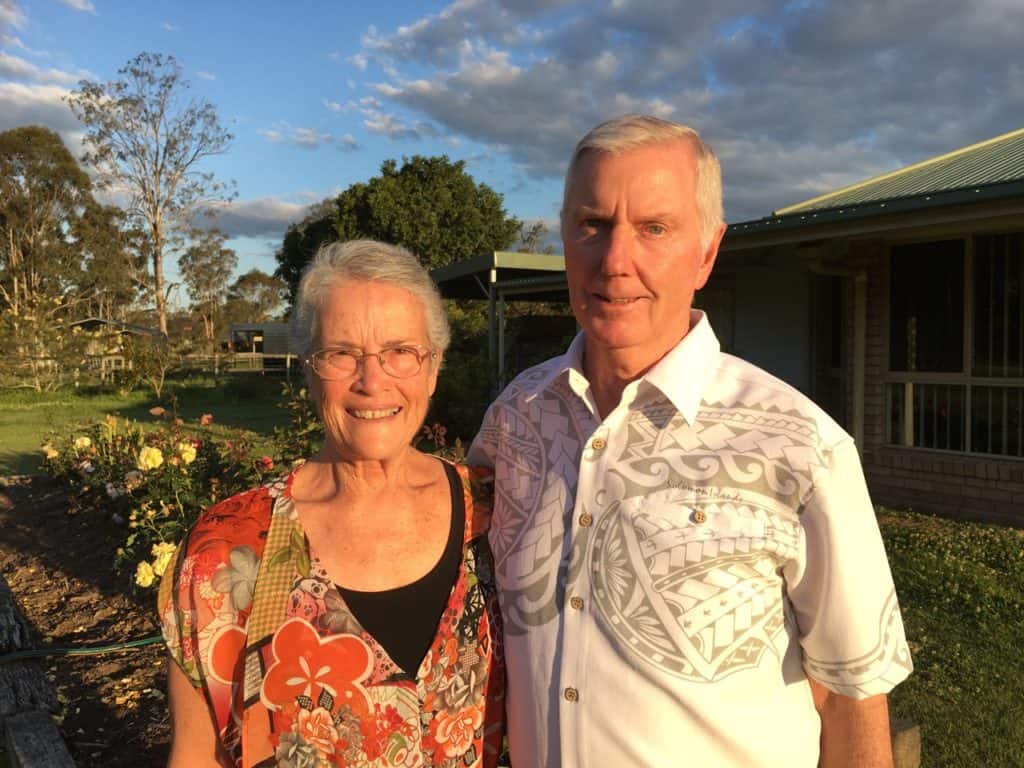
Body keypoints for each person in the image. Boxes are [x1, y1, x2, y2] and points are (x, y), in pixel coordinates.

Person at [468, 115, 912, 767]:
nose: (616, 261)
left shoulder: (800, 448)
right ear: (565, 237)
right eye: (593, 224)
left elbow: (851, 699)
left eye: (654, 228)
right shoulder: (515, 418)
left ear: (705, 252)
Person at [159, 240, 504, 768]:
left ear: (433, 366)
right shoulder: (227, 549)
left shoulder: (497, 520)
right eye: (342, 353)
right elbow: (197, 756)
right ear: (308, 369)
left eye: (400, 352)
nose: (372, 380)